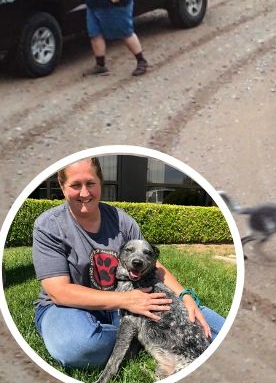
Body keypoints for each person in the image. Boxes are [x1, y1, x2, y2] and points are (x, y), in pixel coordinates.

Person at [32, 158, 224, 369]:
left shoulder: (122, 221)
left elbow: (153, 266)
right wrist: (126, 300)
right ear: (62, 187)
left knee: (221, 329)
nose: (85, 193)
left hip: (128, 304)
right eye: (75, 185)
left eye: (91, 183)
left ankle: (138, 335)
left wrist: (185, 296)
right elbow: (59, 292)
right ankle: (142, 338)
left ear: (101, 183)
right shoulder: (49, 226)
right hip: (67, 307)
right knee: (77, 347)